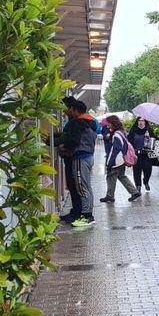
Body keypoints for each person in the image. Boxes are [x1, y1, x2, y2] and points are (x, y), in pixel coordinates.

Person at [58, 97, 97, 227]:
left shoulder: (79, 123)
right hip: (88, 156)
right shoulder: (91, 122)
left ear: (74, 110)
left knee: (82, 187)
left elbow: (73, 140)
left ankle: (87, 216)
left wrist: (62, 145)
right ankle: (86, 214)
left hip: (81, 157)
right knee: (86, 186)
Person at [102, 115, 142, 204]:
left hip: (117, 160)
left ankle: (110, 196)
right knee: (121, 176)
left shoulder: (116, 135)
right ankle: (134, 192)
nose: (108, 125)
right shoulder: (122, 132)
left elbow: (115, 150)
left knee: (111, 177)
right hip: (122, 160)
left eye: (109, 123)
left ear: (113, 123)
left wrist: (109, 163)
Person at [128, 118, 157, 191]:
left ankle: (146, 181)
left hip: (146, 155)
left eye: (142, 121)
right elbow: (129, 141)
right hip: (136, 155)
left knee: (148, 170)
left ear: (145, 122)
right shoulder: (133, 130)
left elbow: (154, 141)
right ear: (137, 122)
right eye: (139, 121)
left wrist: (149, 137)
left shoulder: (149, 130)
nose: (141, 122)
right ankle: (138, 186)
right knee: (137, 171)